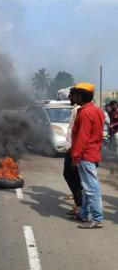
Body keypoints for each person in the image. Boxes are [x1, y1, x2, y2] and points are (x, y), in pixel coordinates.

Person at [71, 82, 105, 229]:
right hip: (93, 152)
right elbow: (99, 135)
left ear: (80, 96)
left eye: (76, 94)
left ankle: (96, 219)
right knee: (88, 188)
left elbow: (82, 137)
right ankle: (85, 214)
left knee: (91, 189)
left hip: (86, 155)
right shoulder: (97, 110)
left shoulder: (84, 113)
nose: (74, 97)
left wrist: (75, 156)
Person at [63, 87, 82, 216]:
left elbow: (80, 134)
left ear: (77, 97)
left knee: (73, 177)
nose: (69, 98)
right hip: (72, 148)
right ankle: (79, 204)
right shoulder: (76, 109)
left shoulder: (79, 111)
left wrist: (74, 153)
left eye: (71, 96)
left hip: (74, 149)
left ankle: (81, 206)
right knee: (73, 177)